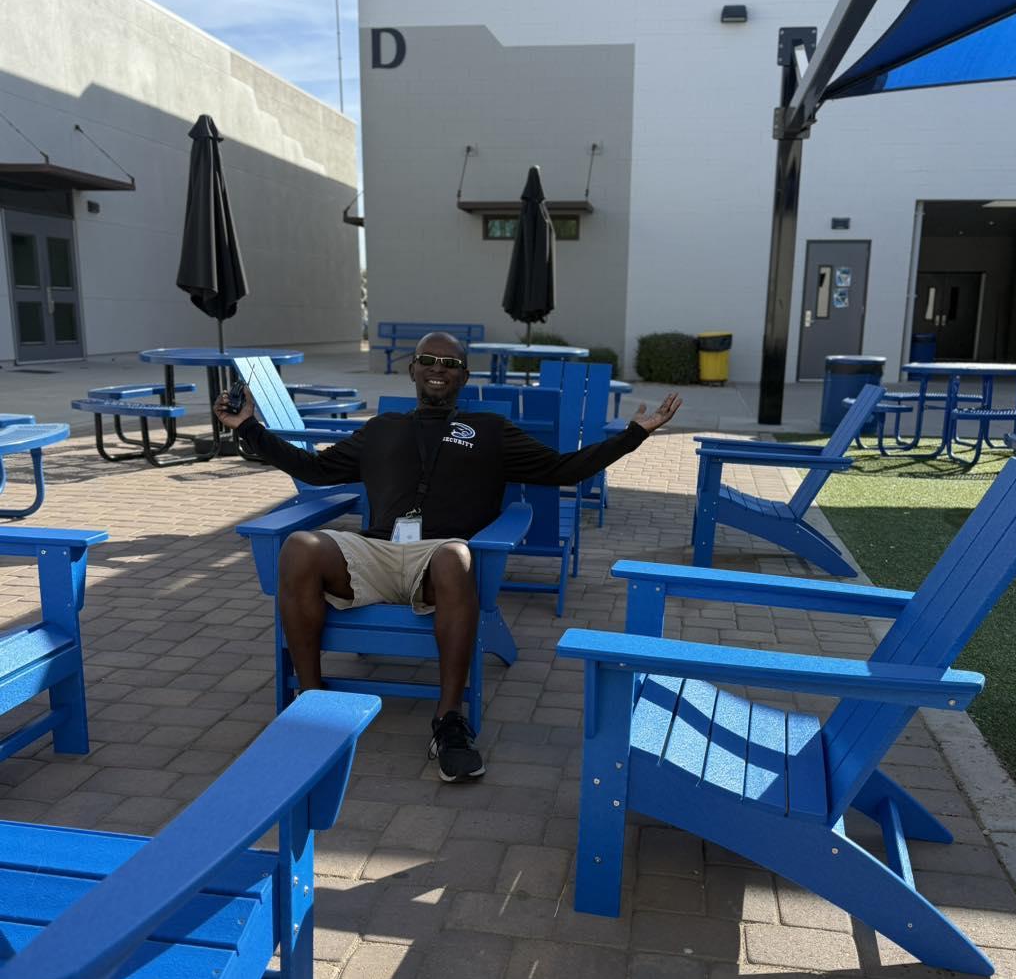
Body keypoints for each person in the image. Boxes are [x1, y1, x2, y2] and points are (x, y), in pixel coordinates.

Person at [216, 333, 681, 782]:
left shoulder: (490, 430)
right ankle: (313, 701)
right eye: (428, 360)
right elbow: (316, 470)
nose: (438, 368)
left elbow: (563, 469)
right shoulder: (381, 428)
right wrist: (250, 429)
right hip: (376, 551)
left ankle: (450, 720)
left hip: (439, 560)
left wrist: (632, 436)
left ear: (464, 377)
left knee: (456, 554)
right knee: (301, 546)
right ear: (412, 369)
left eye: (450, 363)